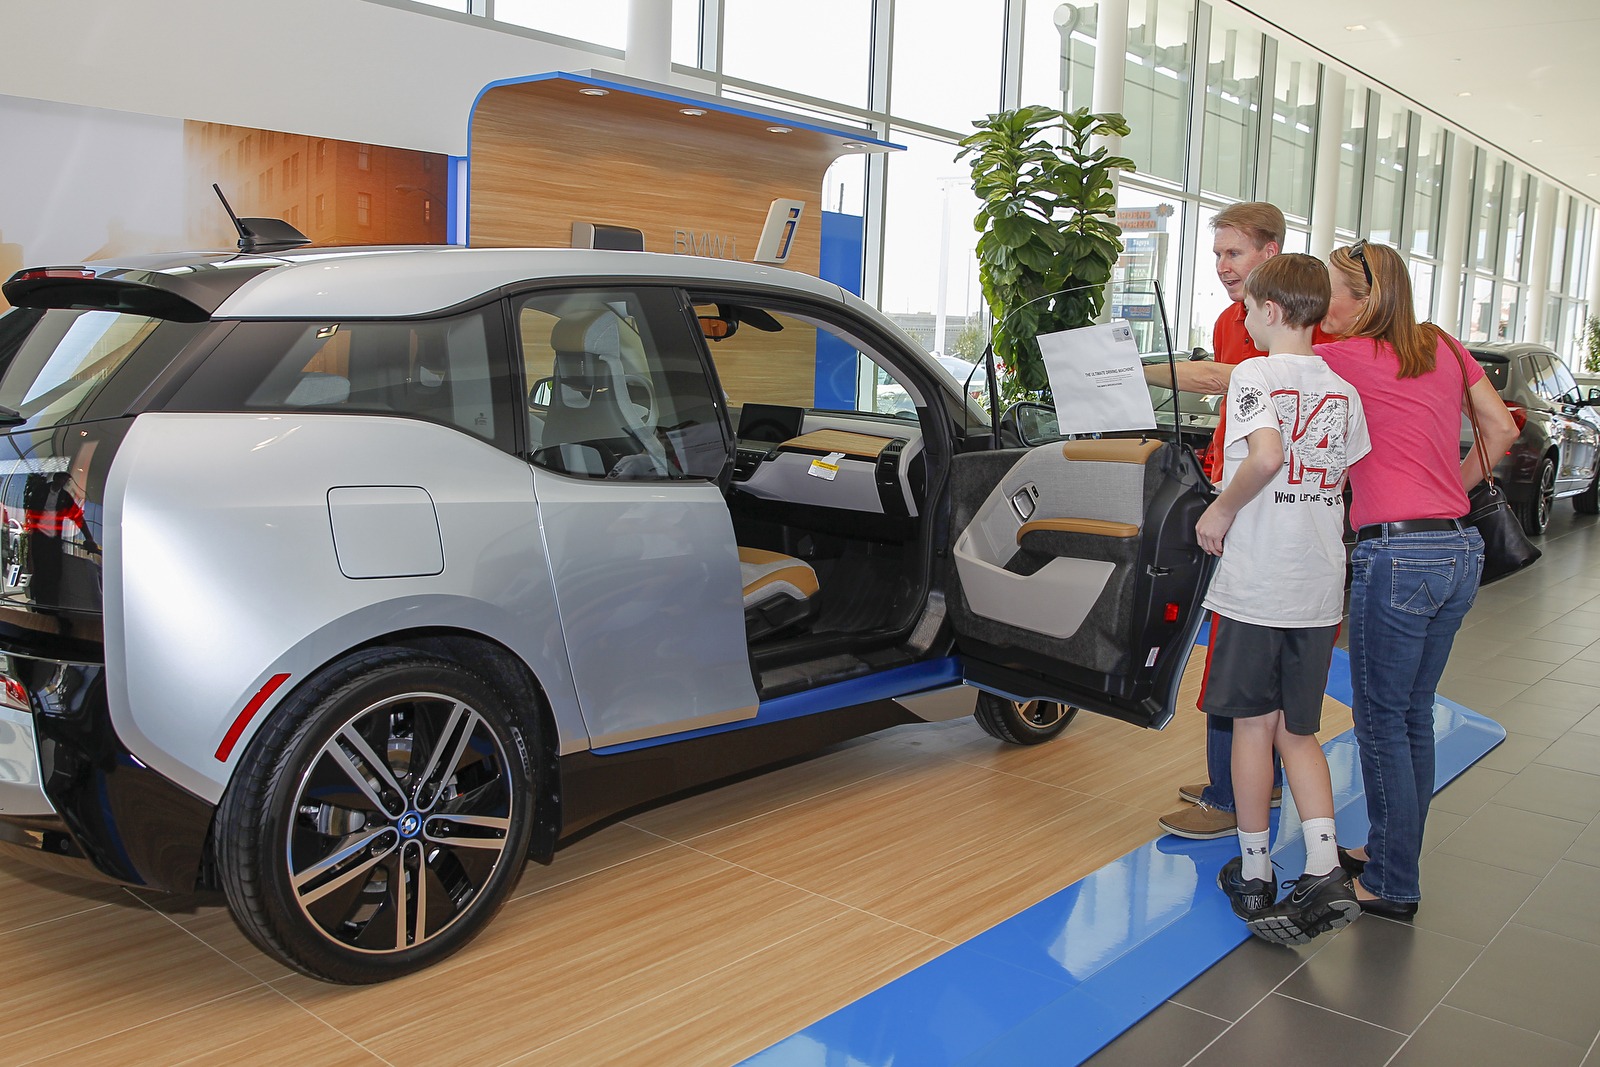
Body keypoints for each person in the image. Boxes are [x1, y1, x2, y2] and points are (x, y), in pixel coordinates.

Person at [1314, 240, 1519, 918]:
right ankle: (1387, 850)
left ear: (1365, 298)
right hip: (1458, 548)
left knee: (1380, 721)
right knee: (1412, 717)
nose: (1323, 304)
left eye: (1333, 290)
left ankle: (1393, 881)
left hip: (1396, 557)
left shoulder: (1340, 356)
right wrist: (1447, 493)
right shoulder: (1443, 345)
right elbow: (1499, 429)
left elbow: (1235, 379)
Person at [1197, 253, 1369, 943]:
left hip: (1260, 581)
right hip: (1318, 584)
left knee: (1251, 727)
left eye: (1247, 309)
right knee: (1299, 730)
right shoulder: (1342, 388)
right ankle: (1326, 865)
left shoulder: (1254, 374)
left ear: (1269, 311)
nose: (1242, 317)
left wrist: (1221, 512)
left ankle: (1257, 870)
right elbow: (1344, 473)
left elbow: (1266, 456)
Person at [1156, 202, 1334, 841]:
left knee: (1237, 679)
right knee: (1277, 705)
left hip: (1261, 534)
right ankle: (1246, 789)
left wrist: (1134, 371)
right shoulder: (1234, 322)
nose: (1222, 265)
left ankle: (1234, 805)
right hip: (1293, 547)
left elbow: (1236, 389)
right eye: (1217, 253)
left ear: (1270, 255)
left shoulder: (1285, 342)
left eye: (1234, 253)